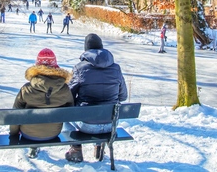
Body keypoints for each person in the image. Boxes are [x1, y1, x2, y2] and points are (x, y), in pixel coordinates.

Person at [65, 33, 128, 163]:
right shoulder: (116, 68)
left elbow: (68, 97)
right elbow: (123, 96)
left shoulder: (79, 68)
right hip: (111, 124)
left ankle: (76, 149)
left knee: (62, 118)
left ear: (86, 50)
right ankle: (99, 146)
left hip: (86, 124)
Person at [9, 48, 74, 159]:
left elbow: (15, 116)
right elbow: (70, 111)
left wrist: (13, 135)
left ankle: (34, 146)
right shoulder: (65, 89)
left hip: (28, 134)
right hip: (54, 132)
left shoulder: (26, 89)